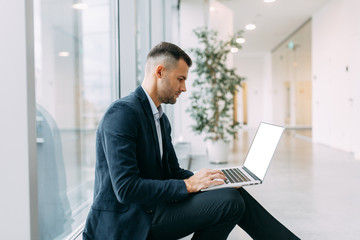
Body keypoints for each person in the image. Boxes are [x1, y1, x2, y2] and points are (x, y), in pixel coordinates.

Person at [83, 42, 300, 240]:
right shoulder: (122, 113)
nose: (184, 88)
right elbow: (126, 189)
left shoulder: (160, 118)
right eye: (181, 79)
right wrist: (188, 185)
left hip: (151, 209)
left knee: (233, 194)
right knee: (230, 203)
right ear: (160, 72)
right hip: (128, 223)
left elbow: (172, 172)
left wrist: (212, 180)